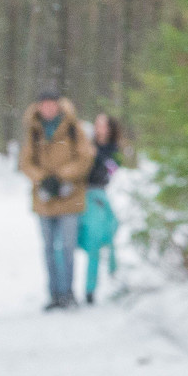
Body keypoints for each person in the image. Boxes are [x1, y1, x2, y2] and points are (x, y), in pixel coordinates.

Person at [18, 84, 91, 311]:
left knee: (67, 248)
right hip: (45, 200)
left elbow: (85, 157)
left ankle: (68, 293)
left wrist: (61, 177)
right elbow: (26, 162)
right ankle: (54, 295)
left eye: (51, 104)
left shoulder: (72, 127)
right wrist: (43, 180)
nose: (47, 108)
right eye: (44, 104)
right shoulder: (34, 129)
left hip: (70, 197)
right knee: (49, 248)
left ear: (58, 105)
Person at [77, 114, 121, 304]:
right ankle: (85, 288)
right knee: (88, 242)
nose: (99, 128)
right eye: (97, 124)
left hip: (100, 198)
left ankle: (96, 284)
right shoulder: (86, 145)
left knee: (103, 239)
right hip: (82, 197)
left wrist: (98, 156)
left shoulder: (113, 150)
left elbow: (112, 169)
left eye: (103, 125)